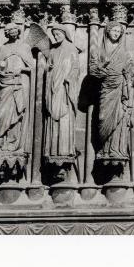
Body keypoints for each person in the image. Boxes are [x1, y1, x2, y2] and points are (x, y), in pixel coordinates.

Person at [90, 21, 134, 164]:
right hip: (105, 88)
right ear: (107, 31)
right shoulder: (98, 50)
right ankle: (104, 149)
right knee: (103, 117)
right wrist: (101, 69)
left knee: (119, 119)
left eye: (119, 32)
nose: (116, 33)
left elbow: (130, 72)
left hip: (119, 88)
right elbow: (92, 70)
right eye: (114, 30)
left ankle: (117, 149)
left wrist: (131, 79)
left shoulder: (125, 52)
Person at [44, 24, 79, 180]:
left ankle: (65, 152)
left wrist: (69, 78)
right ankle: (52, 152)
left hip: (65, 90)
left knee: (65, 120)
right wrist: (48, 68)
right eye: (54, 34)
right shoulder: (52, 51)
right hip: (54, 90)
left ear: (65, 33)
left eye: (58, 33)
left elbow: (76, 68)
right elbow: (48, 69)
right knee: (53, 121)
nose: (56, 36)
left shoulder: (72, 49)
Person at [0, 24, 33, 154]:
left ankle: (13, 142)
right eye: (10, 30)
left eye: (15, 30)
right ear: (6, 33)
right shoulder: (3, 48)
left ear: (18, 32)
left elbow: (32, 67)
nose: (13, 32)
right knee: (1, 113)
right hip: (6, 83)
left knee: (17, 112)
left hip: (20, 84)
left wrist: (22, 69)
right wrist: (2, 68)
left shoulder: (25, 47)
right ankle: (1, 138)